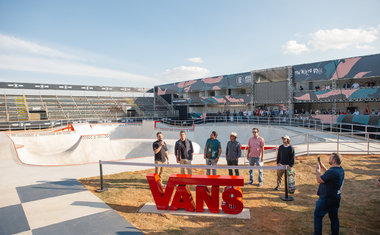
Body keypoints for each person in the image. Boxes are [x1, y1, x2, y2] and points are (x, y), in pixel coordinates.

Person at [314, 153, 345, 235]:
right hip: (335, 198)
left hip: (326, 199)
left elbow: (319, 179)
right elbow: (329, 175)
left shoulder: (332, 172)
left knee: (318, 216)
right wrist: (323, 167)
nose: (329, 159)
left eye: (330, 158)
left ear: (334, 160)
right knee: (334, 218)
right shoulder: (340, 170)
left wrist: (317, 170)